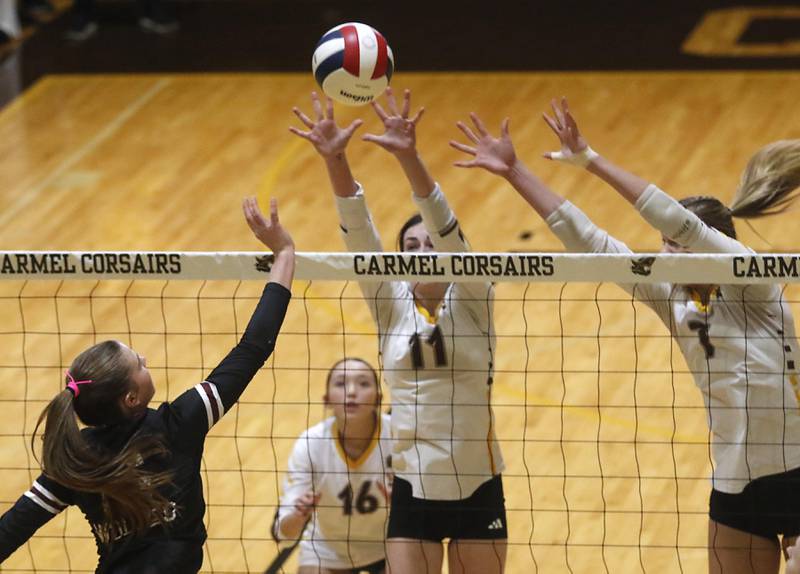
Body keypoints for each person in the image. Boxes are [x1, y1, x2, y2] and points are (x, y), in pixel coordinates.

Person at [449, 99, 800, 574]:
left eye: (677, 244)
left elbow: (678, 222)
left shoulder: (752, 283)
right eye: (664, 247)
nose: (667, 254)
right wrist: (516, 173)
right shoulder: (670, 294)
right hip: (738, 478)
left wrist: (591, 160)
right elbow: (590, 241)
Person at [0, 197, 294, 573]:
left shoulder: (75, 459)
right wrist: (284, 253)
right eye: (139, 363)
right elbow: (254, 346)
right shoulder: (178, 424)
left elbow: (10, 530)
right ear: (131, 397)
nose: (147, 361)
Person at [290, 88, 507, 574]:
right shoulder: (390, 307)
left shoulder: (474, 299)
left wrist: (410, 158)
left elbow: (450, 231)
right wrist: (336, 161)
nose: (424, 250)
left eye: (432, 244)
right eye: (411, 246)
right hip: (412, 488)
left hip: (480, 483)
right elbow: (359, 235)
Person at [273, 358, 392, 574]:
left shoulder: (401, 437)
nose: (352, 391)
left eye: (364, 383)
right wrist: (298, 516)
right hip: (327, 549)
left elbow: (431, 520)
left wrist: (405, 506)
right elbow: (283, 533)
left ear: (379, 398)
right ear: (327, 400)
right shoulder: (310, 444)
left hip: (391, 543)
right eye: (341, 384)